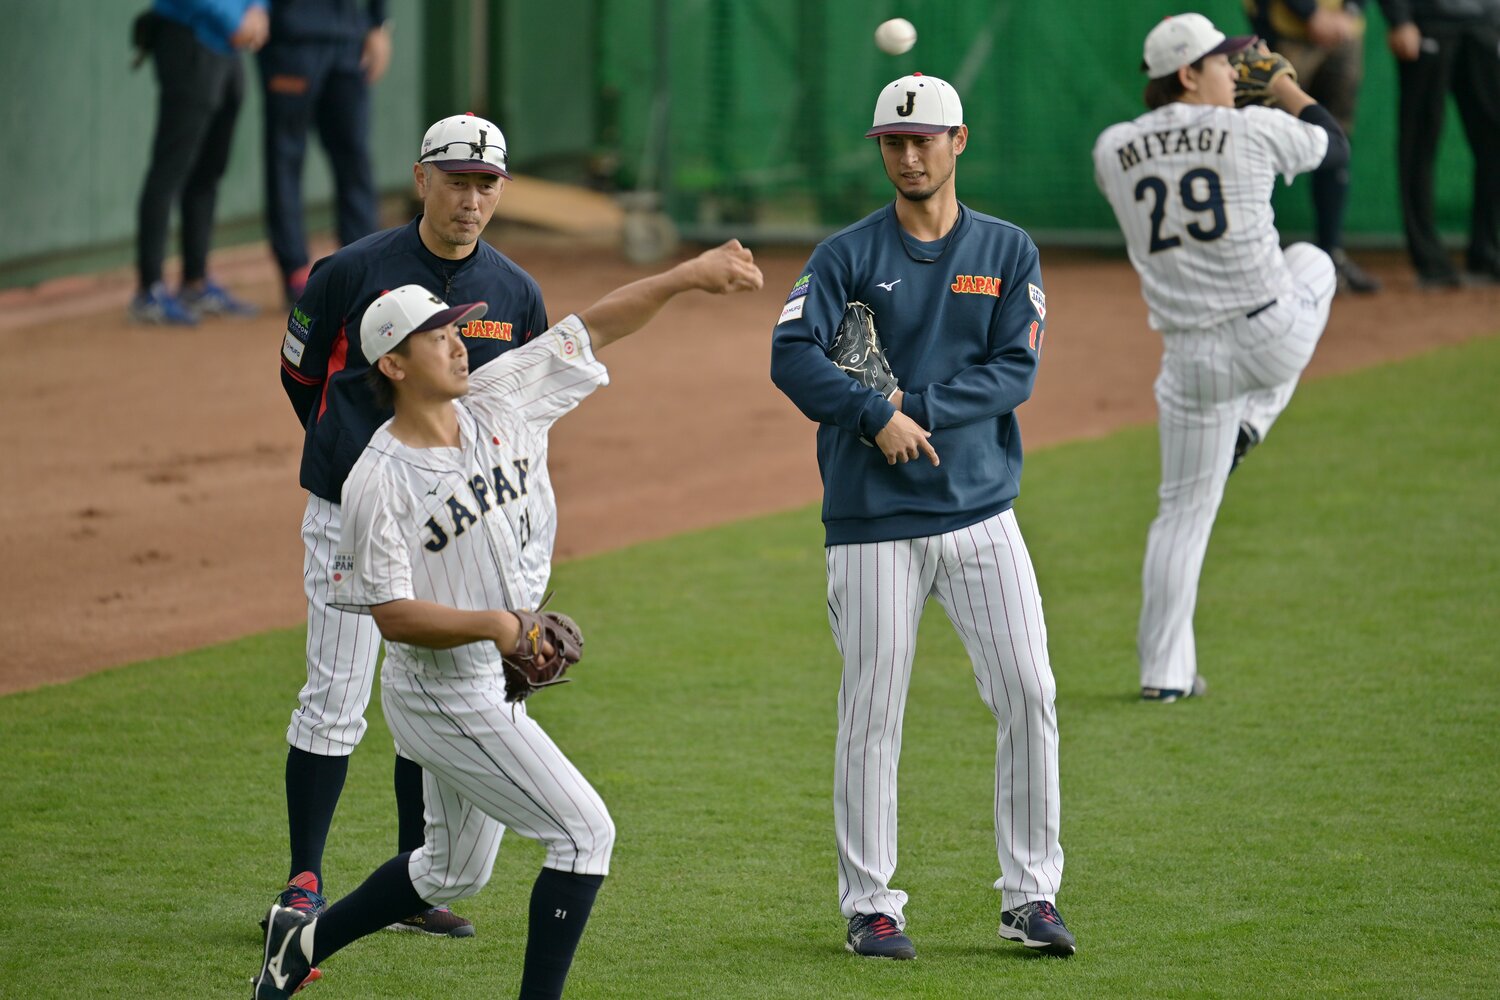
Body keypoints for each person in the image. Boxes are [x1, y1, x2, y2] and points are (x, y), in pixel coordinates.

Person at [253, 242, 765, 999]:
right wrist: (497, 624)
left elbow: (595, 327)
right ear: (393, 364)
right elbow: (390, 614)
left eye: (456, 329)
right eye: (437, 335)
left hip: (493, 679)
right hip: (444, 693)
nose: (459, 342)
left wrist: (689, 276)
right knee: (585, 835)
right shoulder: (375, 482)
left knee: (451, 869)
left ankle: (298, 949)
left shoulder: (501, 396)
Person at [769, 73, 1076, 960]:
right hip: (871, 522)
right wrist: (874, 417)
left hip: (983, 516)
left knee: (1030, 692)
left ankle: (1031, 894)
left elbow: (1015, 369)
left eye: (924, 141)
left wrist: (915, 409)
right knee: (873, 710)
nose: (908, 156)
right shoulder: (844, 257)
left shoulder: (1008, 250)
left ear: (958, 142)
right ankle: (871, 905)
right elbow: (792, 358)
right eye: (893, 144)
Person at [272, 112, 546, 939]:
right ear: (422, 177)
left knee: (436, 694)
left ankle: (409, 886)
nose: (471, 199)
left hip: (455, 527)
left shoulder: (516, 292)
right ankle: (303, 885)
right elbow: (298, 374)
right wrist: (361, 473)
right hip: (356, 517)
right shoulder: (350, 272)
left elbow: (522, 413)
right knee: (335, 699)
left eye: (486, 184)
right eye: (457, 181)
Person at [1091, 14, 1349, 701]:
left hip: (1189, 362)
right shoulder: (1252, 126)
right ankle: (1254, 424)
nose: (1237, 73)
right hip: (1269, 338)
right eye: (1222, 64)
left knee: (1181, 514)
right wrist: (1287, 87)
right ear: (1187, 74)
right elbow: (1334, 148)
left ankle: (1163, 677)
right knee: (1315, 262)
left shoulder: (1112, 148)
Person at [129, 0, 267, 325]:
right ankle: (149, 291)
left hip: (229, 52)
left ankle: (195, 282)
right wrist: (235, 20)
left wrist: (259, 9)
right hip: (188, 39)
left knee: (208, 172)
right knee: (169, 170)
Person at [1242, 0, 1382, 293]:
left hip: (1344, 33)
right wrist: (1310, 12)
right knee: (1265, 142)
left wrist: (1349, 12)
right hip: (1283, 29)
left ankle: (1333, 256)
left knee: (1337, 139)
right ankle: (1255, 262)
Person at [258, 0, 391, 305]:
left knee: (354, 155)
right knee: (286, 156)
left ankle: (363, 269)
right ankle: (295, 269)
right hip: (291, 41)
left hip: (349, 41)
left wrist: (378, 24)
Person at [1374, 0, 1500, 286]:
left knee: (1494, 139)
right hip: (1427, 23)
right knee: (1419, 143)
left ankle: (1487, 252)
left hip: (1486, 24)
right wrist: (1400, 18)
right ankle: (1430, 262)